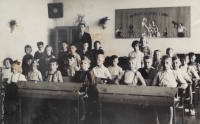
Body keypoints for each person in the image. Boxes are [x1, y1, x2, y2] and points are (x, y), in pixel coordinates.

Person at [152, 55, 188, 124]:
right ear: (161, 63)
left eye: (167, 63)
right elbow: (153, 85)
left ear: (171, 63)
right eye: (163, 63)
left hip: (172, 95)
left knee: (170, 102)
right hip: (161, 94)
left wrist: (178, 89)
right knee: (154, 101)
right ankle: (156, 120)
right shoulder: (159, 74)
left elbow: (184, 84)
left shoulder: (174, 73)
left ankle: (170, 121)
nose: (165, 65)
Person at [72, 56, 93, 120]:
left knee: (81, 98)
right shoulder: (78, 73)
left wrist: (85, 92)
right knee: (74, 97)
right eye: (82, 63)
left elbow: (91, 84)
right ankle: (76, 113)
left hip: (87, 92)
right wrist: (76, 91)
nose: (83, 65)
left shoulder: (90, 73)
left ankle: (84, 113)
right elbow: (74, 83)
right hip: (77, 91)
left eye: (85, 63)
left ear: (88, 65)